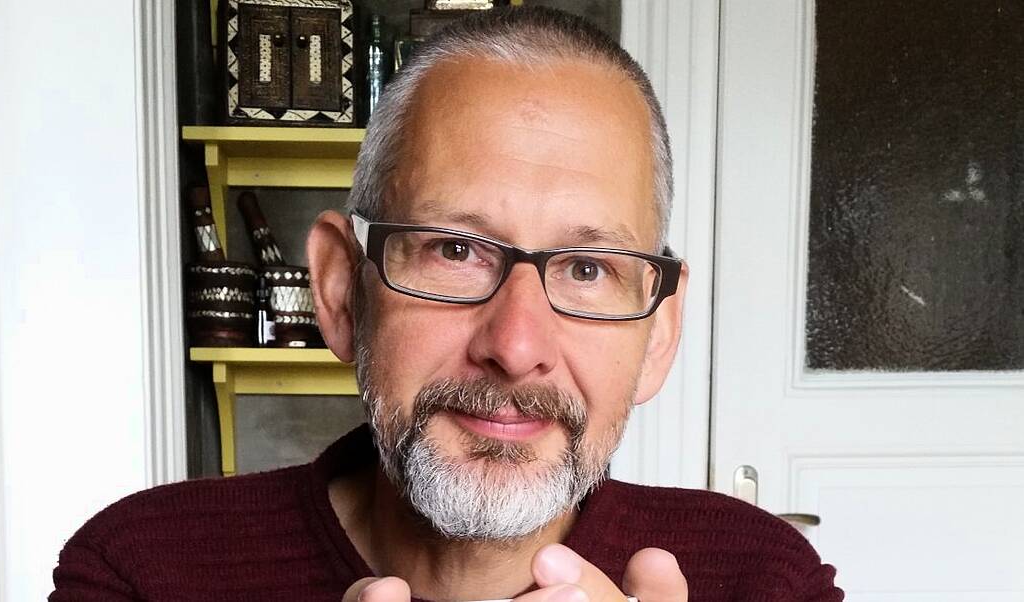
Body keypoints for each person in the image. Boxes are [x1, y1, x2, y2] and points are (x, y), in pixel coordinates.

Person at [51, 7, 842, 601]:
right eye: (455, 250)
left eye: (587, 269)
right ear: (339, 291)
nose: (517, 343)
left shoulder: (766, 580)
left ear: (659, 333)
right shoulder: (142, 571)